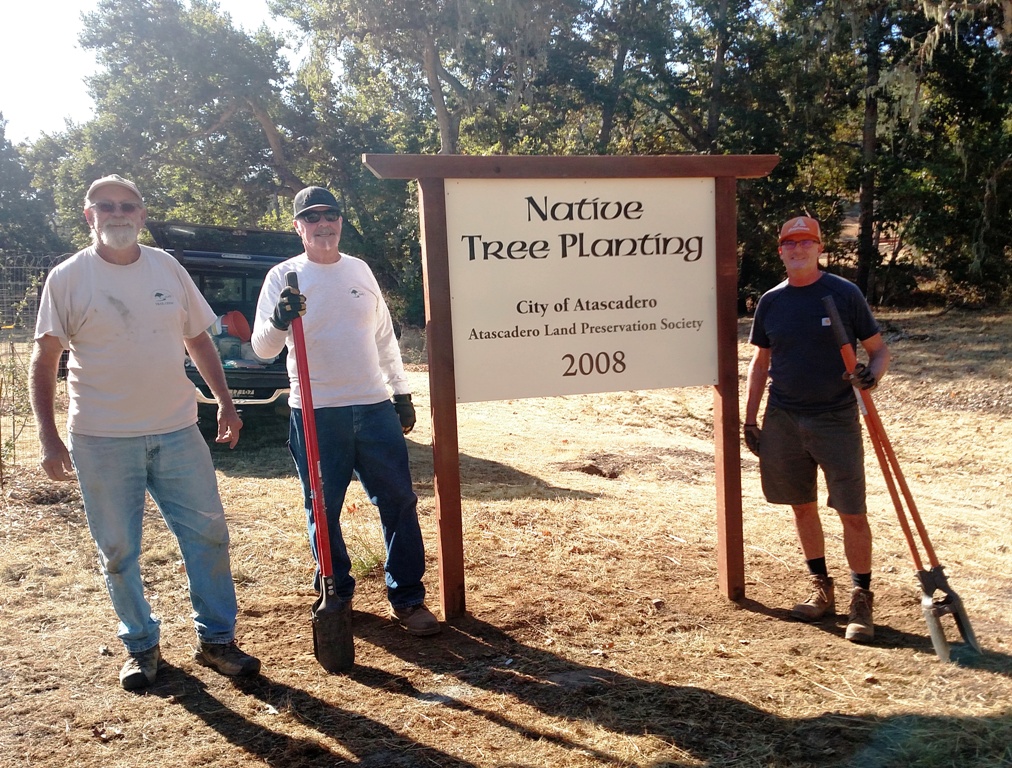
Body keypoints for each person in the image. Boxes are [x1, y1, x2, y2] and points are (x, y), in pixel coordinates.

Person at [29, 174, 261, 690]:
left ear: (142, 214)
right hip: (101, 438)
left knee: (208, 536)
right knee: (118, 550)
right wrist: (49, 438)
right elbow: (46, 361)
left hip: (178, 431)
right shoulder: (69, 278)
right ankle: (141, 646)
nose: (118, 213)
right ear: (89, 216)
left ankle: (218, 642)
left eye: (127, 206)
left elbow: (198, 339)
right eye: (106, 206)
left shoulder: (167, 267)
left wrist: (225, 402)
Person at [251, 185, 440, 641]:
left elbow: (383, 338)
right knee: (323, 507)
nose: (322, 224)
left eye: (330, 215)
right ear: (298, 227)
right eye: (311, 218)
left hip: (373, 406)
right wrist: (279, 319)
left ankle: (408, 598)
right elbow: (262, 349)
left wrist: (401, 393)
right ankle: (335, 592)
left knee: (399, 501)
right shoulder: (284, 276)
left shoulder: (359, 270)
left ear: (339, 221)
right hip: (317, 412)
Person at [743, 215, 891, 643]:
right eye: (790, 243)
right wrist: (750, 420)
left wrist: (871, 376)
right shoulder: (772, 301)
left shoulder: (843, 294)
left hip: (836, 417)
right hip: (784, 417)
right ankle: (821, 588)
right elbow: (760, 362)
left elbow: (879, 352)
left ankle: (860, 598)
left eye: (807, 242)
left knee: (851, 510)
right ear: (781, 252)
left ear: (819, 248)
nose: (798, 249)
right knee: (801, 505)